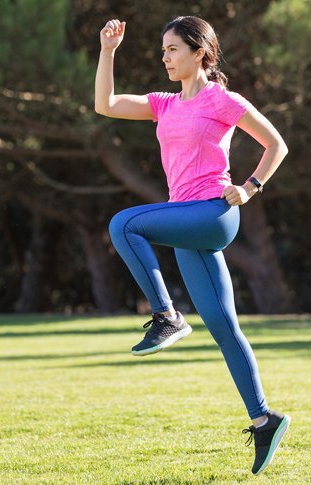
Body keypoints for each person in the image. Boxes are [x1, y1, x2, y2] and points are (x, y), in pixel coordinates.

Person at [95, 16, 291, 475]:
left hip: (214, 215)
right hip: (188, 222)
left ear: (199, 52)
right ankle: (265, 419)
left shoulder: (221, 99)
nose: (164, 57)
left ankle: (166, 316)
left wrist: (250, 187)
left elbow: (276, 144)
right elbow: (105, 104)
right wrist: (108, 51)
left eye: (172, 49)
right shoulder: (164, 104)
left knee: (125, 225)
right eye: (162, 50)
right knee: (225, 329)